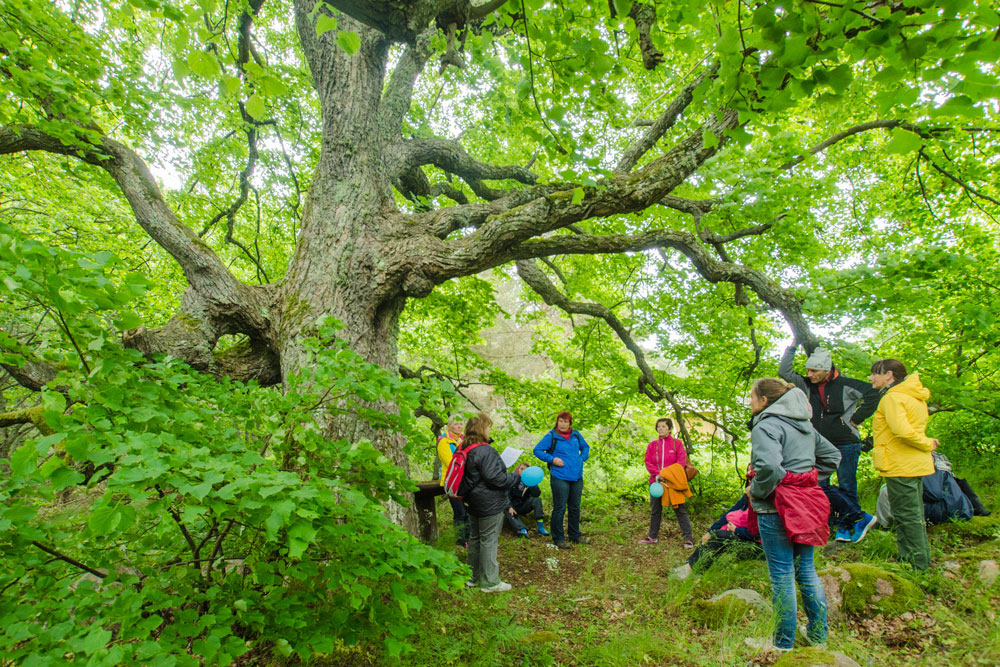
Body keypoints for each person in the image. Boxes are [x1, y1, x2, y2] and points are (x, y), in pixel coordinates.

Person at [747, 378, 841, 652]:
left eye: (752, 396)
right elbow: (832, 457)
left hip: (775, 506)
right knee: (807, 571)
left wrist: (757, 490)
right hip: (807, 505)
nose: (750, 401)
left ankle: (782, 643)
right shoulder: (803, 425)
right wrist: (805, 478)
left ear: (765, 400)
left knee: (782, 576)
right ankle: (818, 636)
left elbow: (770, 468)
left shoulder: (766, 424)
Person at [780, 344, 880, 542]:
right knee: (820, 485)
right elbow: (784, 372)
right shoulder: (807, 384)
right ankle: (829, 522)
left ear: (827, 370)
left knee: (847, 485)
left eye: (814, 371)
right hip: (818, 444)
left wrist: (856, 419)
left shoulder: (846, 384)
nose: (810, 374)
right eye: (808, 370)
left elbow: (874, 393)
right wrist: (791, 347)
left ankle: (848, 525)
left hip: (846, 442)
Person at [869, 359, 936, 570]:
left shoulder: (893, 398)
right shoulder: (913, 396)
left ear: (889, 375)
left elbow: (902, 431)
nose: (871, 378)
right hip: (913, 463)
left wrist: (927, 443)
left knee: (905, 515)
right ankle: (919, 560)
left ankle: (915, 565)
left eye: (874, 374)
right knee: (913, 514)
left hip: (900, 464)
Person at [459, 412, 521, 592]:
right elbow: (496, 478)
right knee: (488, 541)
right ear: (482, 429)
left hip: (472, 500)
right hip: (489, 502)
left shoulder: (464, 447)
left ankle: (473, 577)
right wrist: (516, 478)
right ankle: (490, 582)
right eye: (488, 427)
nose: (489, 430)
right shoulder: (485, 450)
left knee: (476, 538)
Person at [670, 493, 764, 580]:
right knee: (713, 535)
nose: (749, 485)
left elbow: (758, 534)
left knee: (720, 536)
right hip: (745, 535)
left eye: (752, 481)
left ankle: (693, 569)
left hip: (760, 547)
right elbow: (730, 512)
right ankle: (690, 566)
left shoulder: (765, 503)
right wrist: (710, 532)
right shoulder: (748, 497)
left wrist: (736, 530)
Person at [533, 411, 589, 550]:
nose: (563, 424)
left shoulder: (576, 435)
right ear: (557, 422)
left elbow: (586, 447)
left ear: (570, 423)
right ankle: (558, 538)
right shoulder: (552, 436)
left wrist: (582, 459)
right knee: (560, 507)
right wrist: (552, 459)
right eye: (560, 421)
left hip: (576, 476)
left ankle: (575, 535)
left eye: (565, 422)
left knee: (575, 507)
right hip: (559, 476)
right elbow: (537, 450)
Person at [640, 418, 694, 547]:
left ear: (669, 428)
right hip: (656, 482)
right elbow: (648, 462)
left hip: (673, 482)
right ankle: (652, 537)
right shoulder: (652, 445)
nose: (660, 429)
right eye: (658, 427)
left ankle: (688, 538)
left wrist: (666, 475)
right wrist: (657, 474)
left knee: (680, 510)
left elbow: (680, 463)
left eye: (663, 426)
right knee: (655, 510)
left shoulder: (677, 444)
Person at [437, 415, 469, 547]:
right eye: (456, 424)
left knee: (468, 512)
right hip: (451, 481)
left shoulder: (464, 440)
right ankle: (460, 541)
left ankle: (469, 538)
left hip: (465, 480)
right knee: (460, 512)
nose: (459, 427)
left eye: (461, 424)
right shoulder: (444, 442)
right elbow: (451, 463)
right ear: (449, 426)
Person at [504, 463, 550, 537]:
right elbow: (505, 495)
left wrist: (531, 483)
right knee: (506, 509)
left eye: (525, 470)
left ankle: (541, 527)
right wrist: (509, 506)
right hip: (513, 506)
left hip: (524, 506)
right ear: (518, 470)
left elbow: (536, 494)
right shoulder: (512, 480)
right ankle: (522, 530)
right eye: (521, 469)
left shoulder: (530, 481)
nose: (523, 471)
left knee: (537, 500)